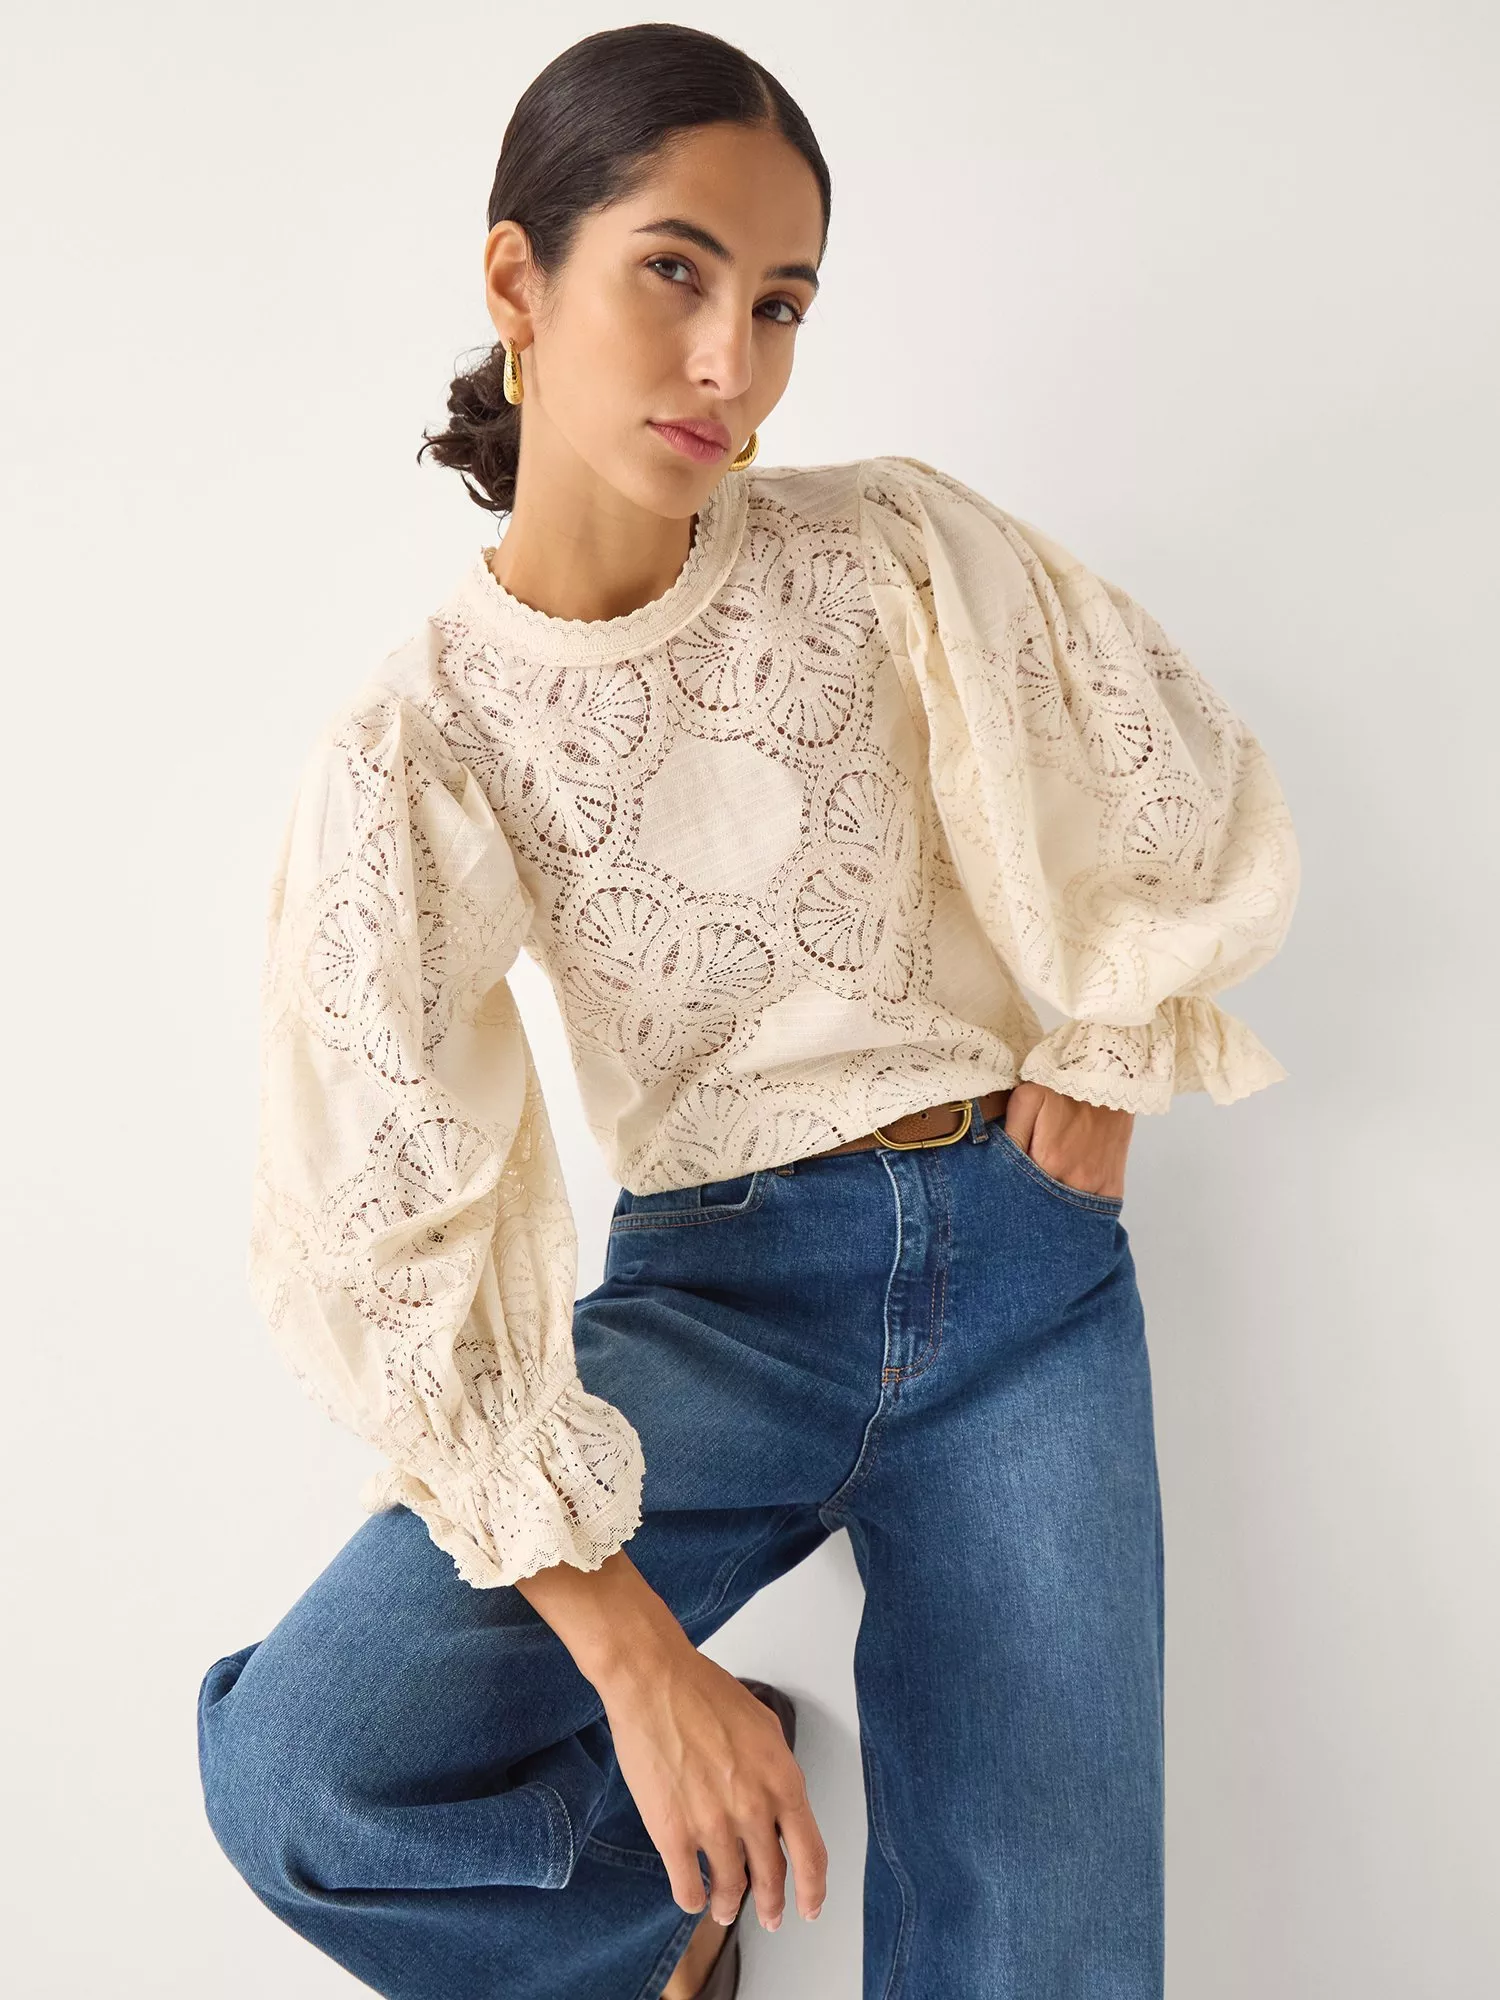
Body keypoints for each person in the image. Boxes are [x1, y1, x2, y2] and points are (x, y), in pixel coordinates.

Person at [194, 22, 1300, 2000]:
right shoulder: (422, 739)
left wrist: (1111, 1051)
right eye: (675, 273)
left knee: (1048, 1968)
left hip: (1024, 1283)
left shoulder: (889, 550)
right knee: (307, 1773)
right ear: (519, 278)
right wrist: (645, 1675)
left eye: (780, 302)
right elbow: (382, 1212)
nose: (733, 362)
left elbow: (1167, 773)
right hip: (718, 1299)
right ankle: (663, 1906)